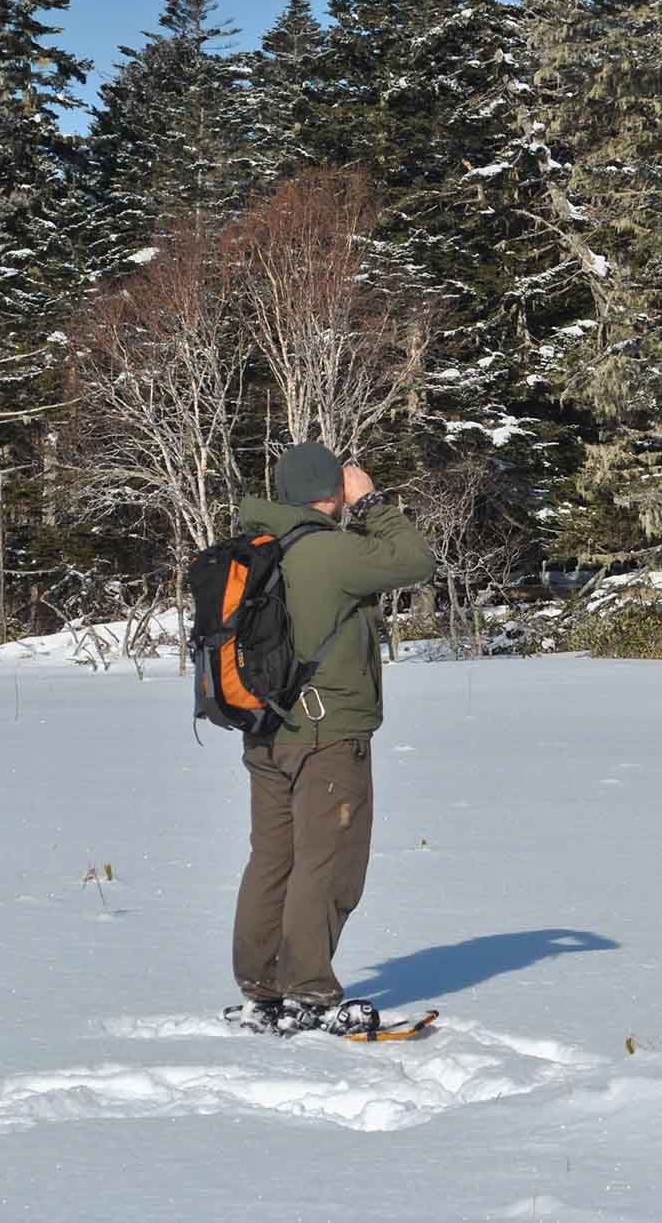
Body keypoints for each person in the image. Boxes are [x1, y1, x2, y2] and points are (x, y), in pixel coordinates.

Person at [226, 440, 435, 1035]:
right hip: (326, 734)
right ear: (332, 492)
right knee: (329, 863)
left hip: (264, 734)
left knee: (272, 860)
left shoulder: (252, 547)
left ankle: (261, 987)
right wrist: (372, 503)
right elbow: (414, 560)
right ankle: (309, 990)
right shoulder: (330, 553)